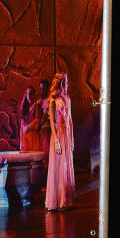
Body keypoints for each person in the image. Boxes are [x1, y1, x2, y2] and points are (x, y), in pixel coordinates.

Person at [45, 72, 75, 211]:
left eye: (66, 82)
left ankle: (65, 199)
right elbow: (52, 122)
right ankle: (57, 200)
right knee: (59, 166)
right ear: (58, 83)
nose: (65, 84)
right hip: (58, 134)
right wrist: (56, 140)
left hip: (67, 134)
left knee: (66, 165)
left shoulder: (67, 98)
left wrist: (72, 137)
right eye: (63, 82)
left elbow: (70, 119)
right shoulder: (52, 100)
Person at [19, 86, 40, 152]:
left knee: (34, 155)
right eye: (27, 93)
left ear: (34, 94)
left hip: (33, 134)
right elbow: (21, 125)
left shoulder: (37, 106)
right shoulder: (24, 107)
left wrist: (27, 128)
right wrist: (21, 141)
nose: (29, 95)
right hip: (25, 136)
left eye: (30, 93)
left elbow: (37, 120)